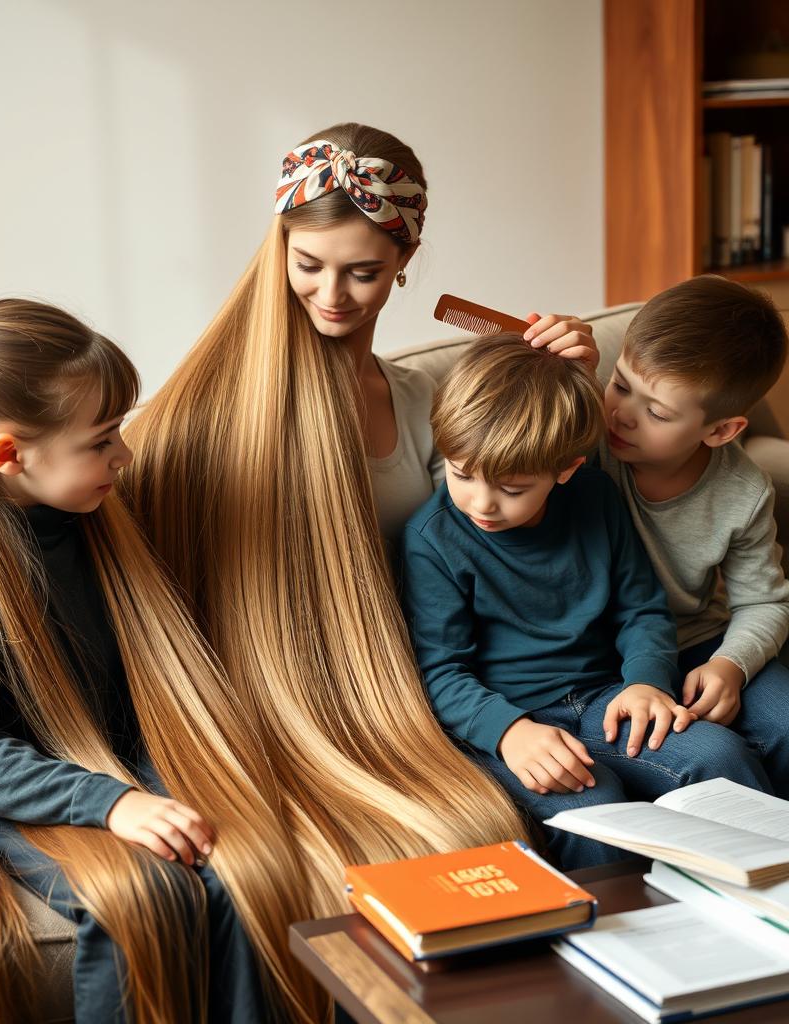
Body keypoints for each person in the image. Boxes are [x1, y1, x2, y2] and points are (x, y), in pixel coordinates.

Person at [0, 300, 329, 1024]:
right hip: (18, 792)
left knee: (245, 871)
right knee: (143, 898)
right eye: (102, 440)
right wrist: (113, 803)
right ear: (10, 455)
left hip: (118, 756)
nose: (125, 457)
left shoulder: (90, 520)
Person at [123, 122, 586, 895]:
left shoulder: (419, 405)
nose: (332, 296)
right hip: (280, 704)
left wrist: (567, 394)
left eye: (363, 273)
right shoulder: (212, 414)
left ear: (405, 262)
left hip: (411, 689)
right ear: (279, 251)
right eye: (307, 265)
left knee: (484, 830)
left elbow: (510, 531)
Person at [401, 335, 773, 869]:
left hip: (605, 697)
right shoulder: (433, 537)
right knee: (595, 811)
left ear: (567, 469)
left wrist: (646, 682)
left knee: (720, 757)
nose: (481, 503)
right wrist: (507, 732)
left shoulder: (596, 496)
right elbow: (439, 669)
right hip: (515, 717)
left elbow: (641, 609)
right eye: (461, 474)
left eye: (512, 488)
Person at [600, 274, 789, 796]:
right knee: (711, 755)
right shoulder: (585, 437)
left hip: (695, 643)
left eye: (657, 412)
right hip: (603, 654)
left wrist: (731, 664)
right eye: (619, 384)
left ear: (721, 430)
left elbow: (765, 603)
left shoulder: (742, 492)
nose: (622, 415)